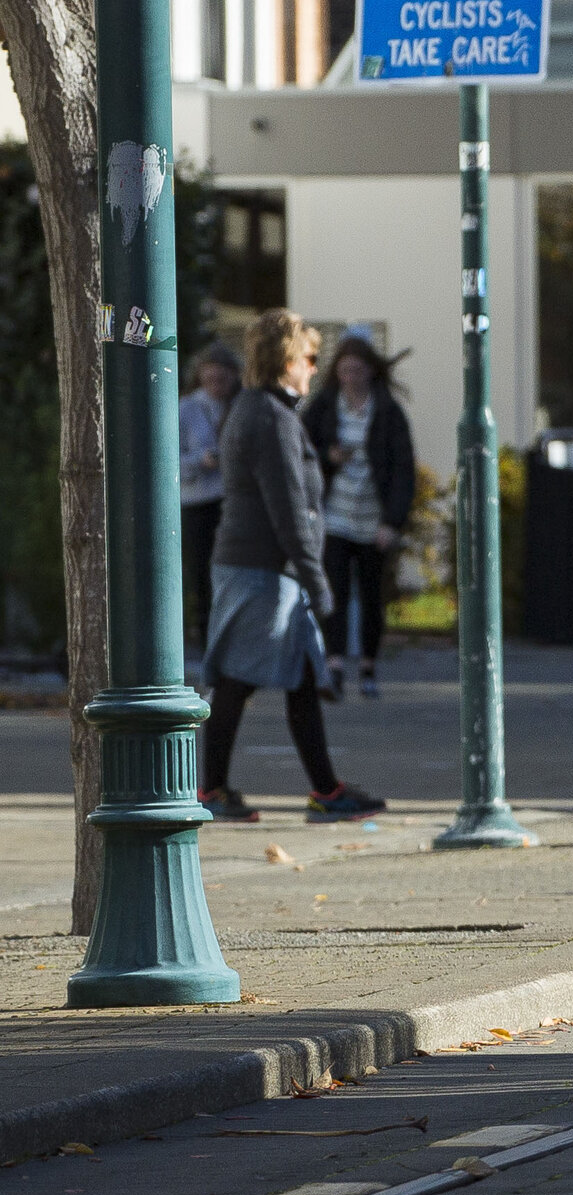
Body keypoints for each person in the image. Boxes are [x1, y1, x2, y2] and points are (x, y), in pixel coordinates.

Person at [203, 309, 384, 823]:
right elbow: (288, 508)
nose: (314, 367)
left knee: (298, 677)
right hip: (261, 569)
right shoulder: (268, 417)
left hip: (263, 568)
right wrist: (318, 582)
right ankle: (212, 791)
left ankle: (325, 792)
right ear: (286, 360)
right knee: (239, 679)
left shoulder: (263, 410)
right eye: (308, 357)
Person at [299, 334, 416, 703]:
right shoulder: (324, 406)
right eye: (344, 369)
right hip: (334, 514)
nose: (350, 376)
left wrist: (393, 522)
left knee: (370, 595)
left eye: (357, 369)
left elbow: (403, 469)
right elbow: (300, 446)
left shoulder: (387, 411)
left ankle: (368, 666)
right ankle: (333, 664)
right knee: (333, 590)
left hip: (372, 517)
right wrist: (328, 457)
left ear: (370, 371)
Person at [178, 343, 239, 663]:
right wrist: (199, 460)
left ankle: (229, 640)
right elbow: (167, 459)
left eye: (223, 378)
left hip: (230, 500)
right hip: (197, 500)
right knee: (201, 574)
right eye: (210, 377)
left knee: (230, 573)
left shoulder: (239, 406)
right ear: (200, 376)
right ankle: (205, 642)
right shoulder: (186, 409)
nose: (217, 384)